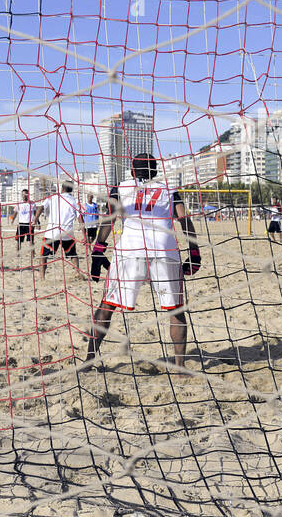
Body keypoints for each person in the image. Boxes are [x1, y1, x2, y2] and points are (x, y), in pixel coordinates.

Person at [89, 153, 201, 370]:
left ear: (132, 171)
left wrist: (99, 247)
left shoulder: (121, 187)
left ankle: (88, 360)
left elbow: (110, 218)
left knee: (107, 306)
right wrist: (194, 251)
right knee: (176, 310)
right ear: (156, 171)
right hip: (164, 249)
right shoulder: (169, 189)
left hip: (129, 250)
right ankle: (180, 368)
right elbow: (184, 220)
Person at [39, 181, 83, 279]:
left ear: (62, 188)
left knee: (43, 256)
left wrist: (34, 220)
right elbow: (80, 218)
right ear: (71, 189)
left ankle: (42, 277)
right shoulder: (74, 201)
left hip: (52, 232)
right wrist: (84, 235)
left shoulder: (53, 197)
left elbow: (41, 207)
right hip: (67, 233)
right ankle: (77, 272)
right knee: (73, 254)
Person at [10, 188, 37, 266]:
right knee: (18, 241)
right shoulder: (19, 203)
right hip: (21, 224)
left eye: (25, 194)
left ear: (28, 195)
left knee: (30, 241)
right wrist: (12, 219)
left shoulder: (32, 204)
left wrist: (37, 222)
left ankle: (32, 254)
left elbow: (35, 214)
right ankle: (18, 254)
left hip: (29, 224)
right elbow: (15, 213)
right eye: (23, 194)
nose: (24, 196)